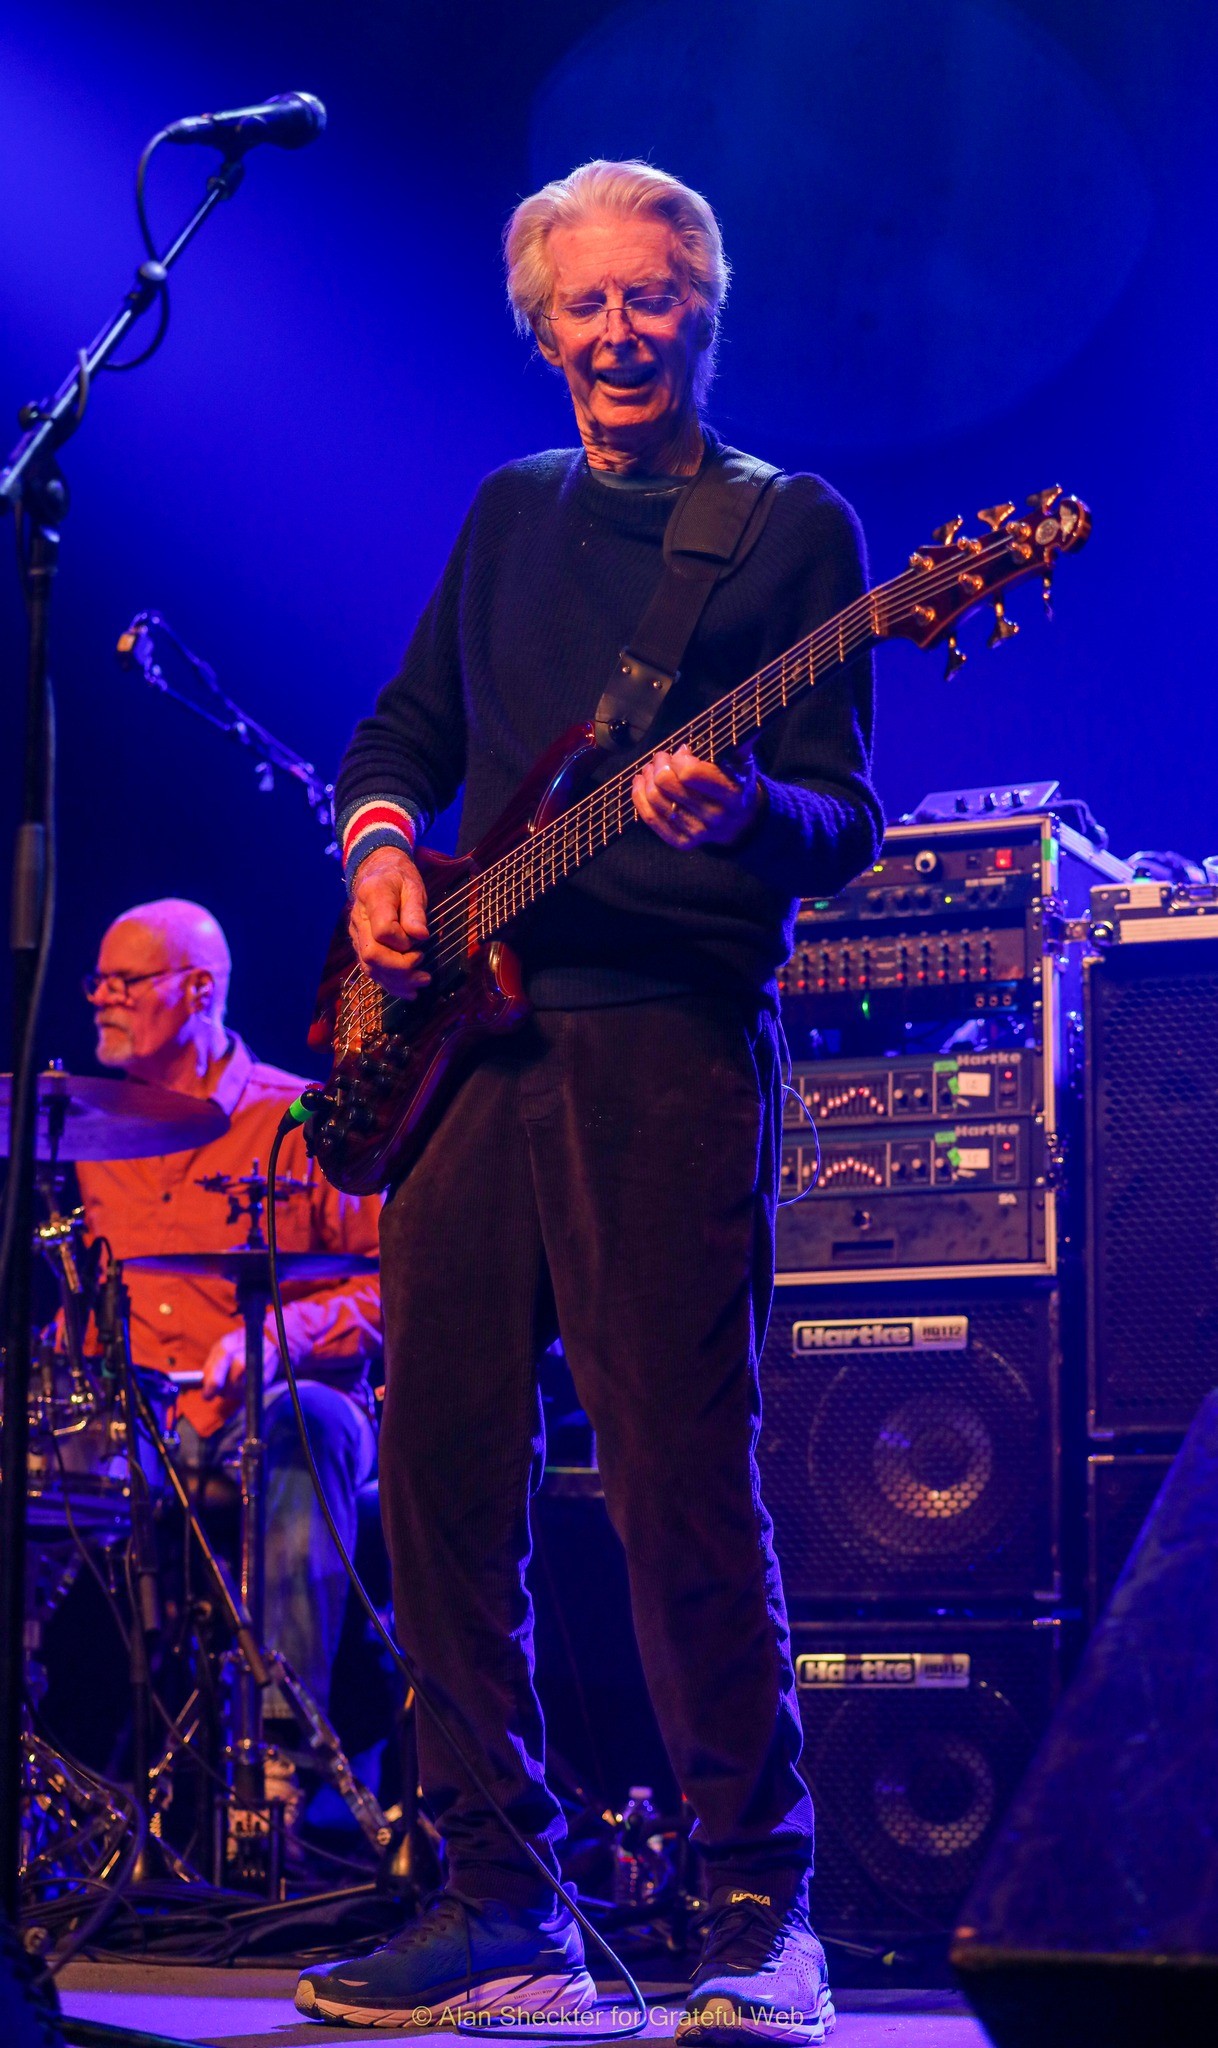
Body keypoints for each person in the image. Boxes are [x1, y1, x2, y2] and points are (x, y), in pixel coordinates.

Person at [296, 160, 882, 2042]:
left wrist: (745, 815)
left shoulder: (783, 530)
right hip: (468, 1047)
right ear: (538, 324)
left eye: (656, 302)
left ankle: (755, 1908)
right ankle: (493, 1897)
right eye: (588, 306)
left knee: (672, 1487)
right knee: (438, 1486)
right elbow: (402, 733)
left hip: (662, 1049)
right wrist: (386, 849)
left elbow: (842, 819)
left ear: (703, 319)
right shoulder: (505, 512)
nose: (620, 334)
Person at [77, 897, 381, 1732]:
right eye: (96, 981)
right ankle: (73, 1751)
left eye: (123, 982)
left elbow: (397, 1283)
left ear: (201, 987)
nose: (100, 997)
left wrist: (279, 1339)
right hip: (147, 1415)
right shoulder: (90, 1136)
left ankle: (283, 1747)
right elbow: (92, 1313)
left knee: (305, 1425)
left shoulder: (306, 1121)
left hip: (286, 1402)